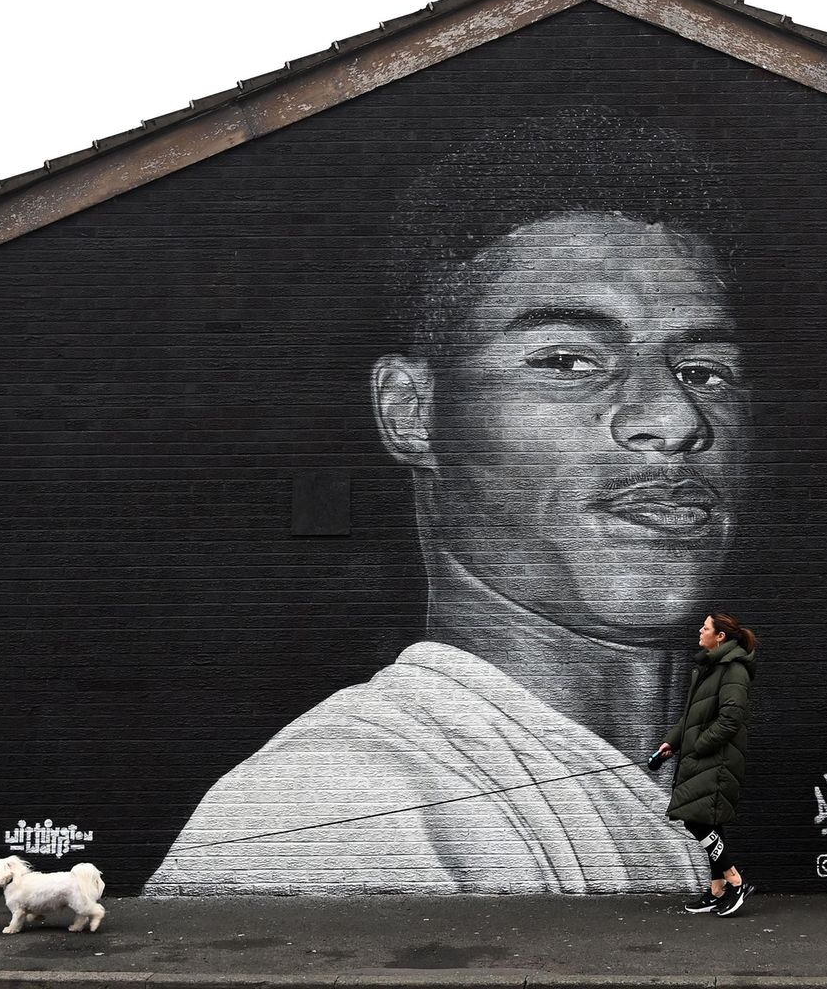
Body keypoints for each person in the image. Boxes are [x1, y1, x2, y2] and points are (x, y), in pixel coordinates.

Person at [147, 207, 753, 895]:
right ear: (411, 413)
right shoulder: (344, 812)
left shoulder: (689, 782)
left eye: (706, 370)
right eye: (567, 361)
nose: (676, 419)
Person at [654, 612, 758, 916]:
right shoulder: (710, 667)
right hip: (706, 757)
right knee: (708, 821)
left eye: (706, 627)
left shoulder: (733, 669)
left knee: (695, 820)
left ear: (720, 636)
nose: (700, 631)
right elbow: (692, 717)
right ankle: (716, 890)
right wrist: (672, 741)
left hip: (718, 759)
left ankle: (735, 881)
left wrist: (697, 745)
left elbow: (730, 719)